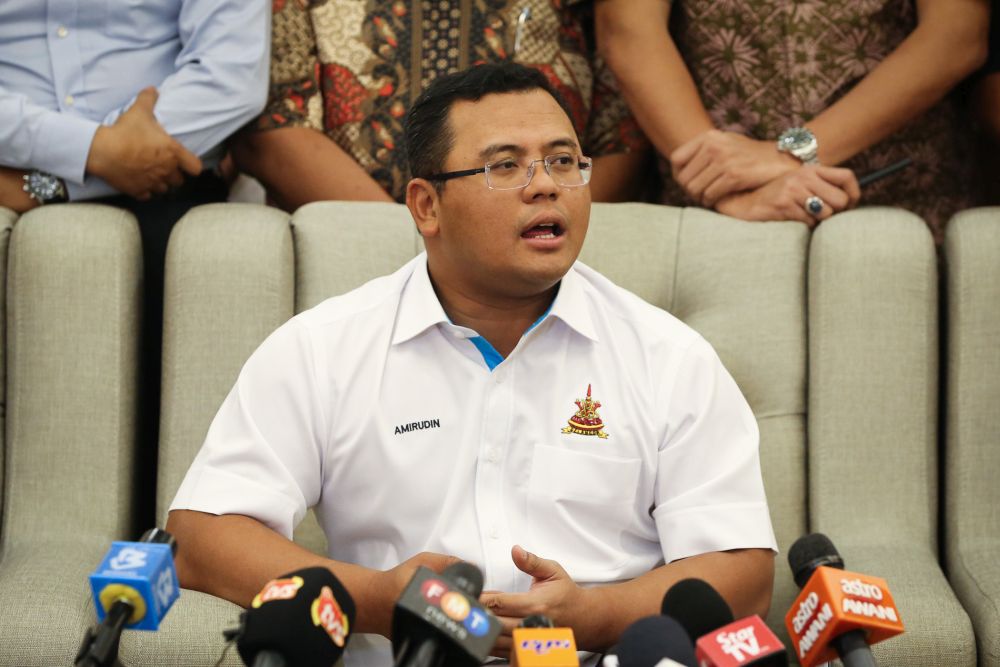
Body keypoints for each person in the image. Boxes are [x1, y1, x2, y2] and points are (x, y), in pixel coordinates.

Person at [167, 63, 776, 666]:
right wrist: (380, 599)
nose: (546, 186)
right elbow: (203, 537)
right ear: (426, 205)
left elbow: (741, 570)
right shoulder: (326, 347)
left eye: (564, 161)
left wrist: (594, 615)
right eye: (505, 166)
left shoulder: (667, 356)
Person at [0, 0, 269, 527]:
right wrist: (96, 150)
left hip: (166, 181)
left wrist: (57, 180)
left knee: (207, 289)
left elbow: (230, 77)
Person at [595, 0, 989, 240]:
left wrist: (792, 153)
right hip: (712, 217)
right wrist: (723, 185)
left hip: (900, 206)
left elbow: (956, 34)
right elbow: (628, 28)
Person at [230, 0, 648, 210]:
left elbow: (625, 128)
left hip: (554, 250)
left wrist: (547, 223)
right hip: (350, 249)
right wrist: (427, 247)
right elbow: (273, 124)